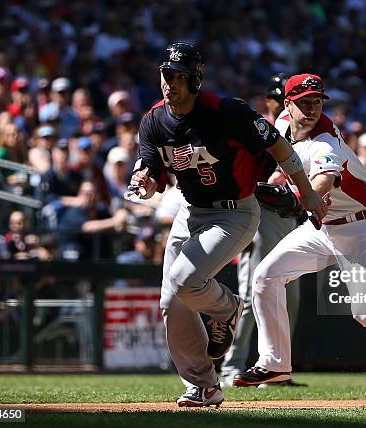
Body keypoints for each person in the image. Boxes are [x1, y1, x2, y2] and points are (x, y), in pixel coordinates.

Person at [128, 43, 326, 408]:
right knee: (172, 301)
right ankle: (204, 386)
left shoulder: (226, 111)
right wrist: (145, 181)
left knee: (185, 281)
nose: (170, 83)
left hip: (234, 212)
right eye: (166, 75)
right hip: (192, 210)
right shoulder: (154, 119)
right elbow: (151, 168)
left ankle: (227, 308)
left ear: (195, 80)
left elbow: (279, 146)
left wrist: (307, 194)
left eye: (179, 77)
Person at [232, 73, 366, 400]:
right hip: (326, 227)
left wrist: (298, 199)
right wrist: (275, 182)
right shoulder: (284, 123)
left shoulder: (325, 141)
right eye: (305, 101)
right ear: (288, 104)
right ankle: (274, 362)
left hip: (365, 227)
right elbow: (286, 165)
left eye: (317, 101)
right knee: (265, 276)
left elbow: (322, 183)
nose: (312, 108)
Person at [220, 73, 302, 387]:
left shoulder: (296, 129)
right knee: (252, 291)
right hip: (260, 213)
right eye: (281, 98)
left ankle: (277, 368)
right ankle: (232, 365)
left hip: (288, 216)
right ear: (269, 101)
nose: (285, 104)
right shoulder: (262, 129)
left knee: (289, 295)